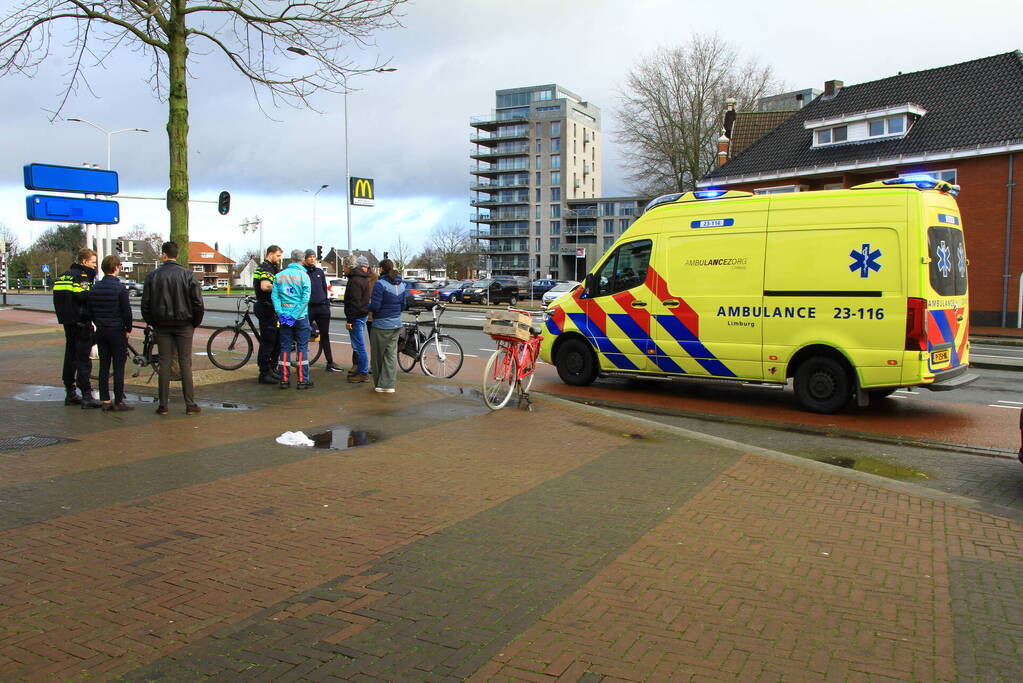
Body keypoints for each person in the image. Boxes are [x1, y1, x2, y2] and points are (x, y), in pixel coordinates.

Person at [141, 241, 205, 415]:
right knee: (185, 363)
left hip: (162, 325)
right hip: (184, 324)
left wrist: (153, 322)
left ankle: (163, 405)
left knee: (164, 362)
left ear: (163, 255)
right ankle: (190, 404)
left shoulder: (152, 276)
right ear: (177, 255)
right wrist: (194, 322)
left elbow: (145, 304)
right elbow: (198, 303)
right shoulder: (188, 275)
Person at [53, 248, 101, 408]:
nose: (94, 266)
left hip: (68, 322)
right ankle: (86, 394)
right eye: (93, 262)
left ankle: (70, 392)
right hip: (82, 322)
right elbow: (83, 295)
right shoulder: (82, 276)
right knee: (83, 360)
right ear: (84, 261)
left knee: (70, 356)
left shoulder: (62, 276)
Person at [87, 255, 133, 411]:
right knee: (119, 367)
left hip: (101, 330)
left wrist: (99, 322)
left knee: (104, 366)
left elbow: (90, 311)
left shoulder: (95, 288)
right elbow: (126, 312)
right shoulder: (120, 288)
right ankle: (118, 400)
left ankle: (105, 400)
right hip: (117, 331)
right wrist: (128, 329)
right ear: (115, 268)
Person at [367, 259, 411, 393]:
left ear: (381, 269)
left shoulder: (380, 284)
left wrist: (364, 306)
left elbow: (375, 306)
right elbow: (403, 305)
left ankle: (380, 385)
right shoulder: (402, 285)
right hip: (396, 323)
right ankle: (389, 385)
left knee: (377, 356)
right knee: (391, 356)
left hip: (381, 325)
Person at [272, 249, 313, 389]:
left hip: (284, 317)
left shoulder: (279, 276)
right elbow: (305, 298)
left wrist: (281, 313)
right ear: (302, 260)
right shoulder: (304, 276)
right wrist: (295, 315)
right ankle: (302, 380)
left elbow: (275, 297)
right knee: (302, 347)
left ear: (290, 259)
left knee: (284, 347)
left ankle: (284, 379)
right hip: (300, 317)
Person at [303, 249, 343, 373]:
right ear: (305, 259)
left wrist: (326, 304)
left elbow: (323, 289)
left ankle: (330, 362)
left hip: (322, 308)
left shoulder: (320, 271)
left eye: (313, 257)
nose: (312, 259)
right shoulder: (302, 272)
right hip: (309, 308)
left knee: (325, 335)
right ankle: (301, 361)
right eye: (309, 257)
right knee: (302, 334)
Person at [253, 245, 284, 384]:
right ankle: (264, 373)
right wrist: (280, 286)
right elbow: (265, 286)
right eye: (278, 255)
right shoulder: (265, 268)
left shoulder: (272, 268)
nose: (279, 258)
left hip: (272, 308)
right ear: (270, 254)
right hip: (266, 308)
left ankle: (272, 369)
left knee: (276, 340)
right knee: (268, 341)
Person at [343, 255, 373, 383]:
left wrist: (350, 320)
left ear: (348, 266)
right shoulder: (363, 278)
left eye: (344, 266)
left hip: (356, 317)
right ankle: (361, 370)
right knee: (358, 345)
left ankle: (363, 373)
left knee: (359, 346)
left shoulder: (354, 280)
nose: (343, 269)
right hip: (362, 314)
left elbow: (354, 302)